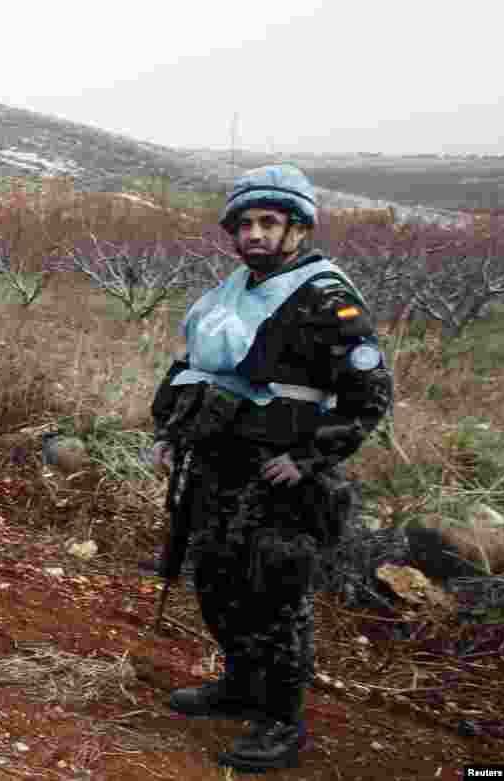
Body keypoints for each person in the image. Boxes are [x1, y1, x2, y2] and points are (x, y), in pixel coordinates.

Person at [148, 164, 392, 772]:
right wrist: (173, 434)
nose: (255, 233)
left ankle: (280, 720)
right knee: (218, 585)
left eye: (269, 222)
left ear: (297, 229)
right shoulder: (233, 290)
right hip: (216, 465)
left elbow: (371, 396)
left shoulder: (327, 297)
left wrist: (309, 458)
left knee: (274, 596)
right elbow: (196, 369)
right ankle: (237, 686)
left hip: (277, 477)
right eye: (246, 223)